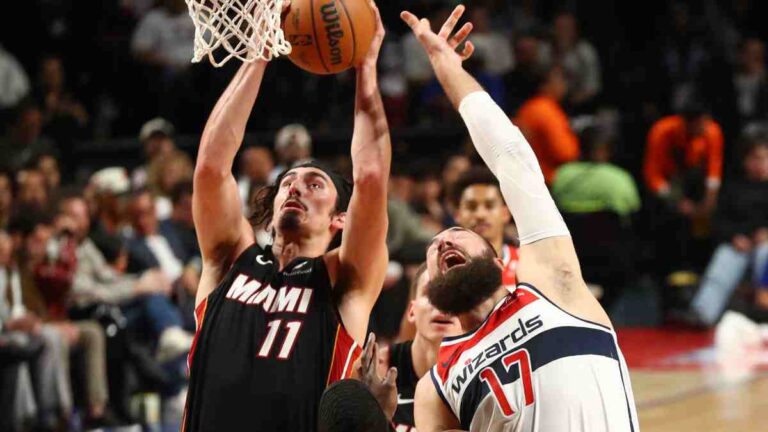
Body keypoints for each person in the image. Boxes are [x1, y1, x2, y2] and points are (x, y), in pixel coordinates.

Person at [401, 6, 638, 431]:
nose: (442, 243)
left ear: (498, 263)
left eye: (456, 235)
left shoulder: (551, 285)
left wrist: (446, 67)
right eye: (434, 248)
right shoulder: (435, 386)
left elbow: (511, 155)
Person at [183, 1, 391, 430]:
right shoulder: (227, 259)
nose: (295, 186)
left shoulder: (343, 280)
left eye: (315, 184)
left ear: (340, 220)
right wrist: (261, 51)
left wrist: (364, 70)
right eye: (289, 182)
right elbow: (210, 167)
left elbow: (370, 178)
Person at [684, 133, 768, 326]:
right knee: (725, 257)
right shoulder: (733, 188)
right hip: (738, 244)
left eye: (764, 158)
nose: (760, 163)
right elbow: (719, 221)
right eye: (755, 158)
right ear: (746, 161)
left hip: (765, 246)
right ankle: (702, 313)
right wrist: (734, 237)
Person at [381, 264, 461, 431]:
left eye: (454, 295)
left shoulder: (484, 378)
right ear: (412, 311)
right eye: (431, 292)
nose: (442, 304)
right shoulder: (378, 368)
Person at [452, 167, 518, 286]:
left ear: (505, 213)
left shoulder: (527, 264)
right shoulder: (446, 269)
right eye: (471, 207)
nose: (480, 215)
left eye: (489, 206)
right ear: (457, 215)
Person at [515, 65, 580, 184]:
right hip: (547, 180)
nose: (564, 85)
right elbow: (566, 153)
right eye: (560, 80)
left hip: (525, 176)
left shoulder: (527, 108)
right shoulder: (546, 110)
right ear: (545, 84)